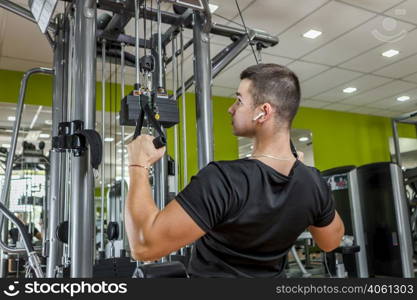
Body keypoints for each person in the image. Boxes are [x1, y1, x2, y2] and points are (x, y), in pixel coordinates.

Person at [125, 63, 344, 278]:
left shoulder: (223, 180)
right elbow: (330, 242)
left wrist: (138, 164)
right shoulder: (313, 182)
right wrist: (306, 182)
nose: (231, 108)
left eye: (239, 100)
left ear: (263, 112)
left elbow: (144, 247)